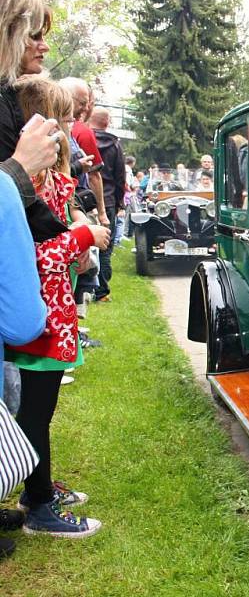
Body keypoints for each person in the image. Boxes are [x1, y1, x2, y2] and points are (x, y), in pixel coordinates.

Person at [8, 76, 108, 538]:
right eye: (62, 120)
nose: (70, 130)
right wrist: (84, 237)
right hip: (40, 321)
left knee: (41, 410)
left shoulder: (38, 182)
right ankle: (39, 504)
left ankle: (39, 485)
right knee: (34, 412)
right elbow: (33, 256)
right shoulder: (18, 189)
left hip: (52, 314)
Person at [0, 119, 53, 561]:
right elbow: (22, 322)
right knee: (31, 412)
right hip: (30, 326)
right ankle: (38, 499)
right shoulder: (4, 189)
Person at [0, 0, 71, 243]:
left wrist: (69, 237)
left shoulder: (7, 96)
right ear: (8, 30)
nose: (45, 46)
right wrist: (21, 167)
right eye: (35, 35)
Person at [59, 77, 108, 227]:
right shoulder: (81, 132)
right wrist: (101, 213)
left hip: (74, 209)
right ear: (66, 97)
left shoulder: (69, 129)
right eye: (83, 103)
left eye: (88, 104)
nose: (86, 109)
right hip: (67, 214)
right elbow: (94, 175)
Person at [88, 106, 125, 302]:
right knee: (105, 247)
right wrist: (119, 202)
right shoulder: (114, 145)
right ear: (107, 122)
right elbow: (120, 176)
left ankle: (85, 290)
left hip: (83, 200)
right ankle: (102, 291)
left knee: (86, 244)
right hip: (108, 200)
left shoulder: (82, 138)